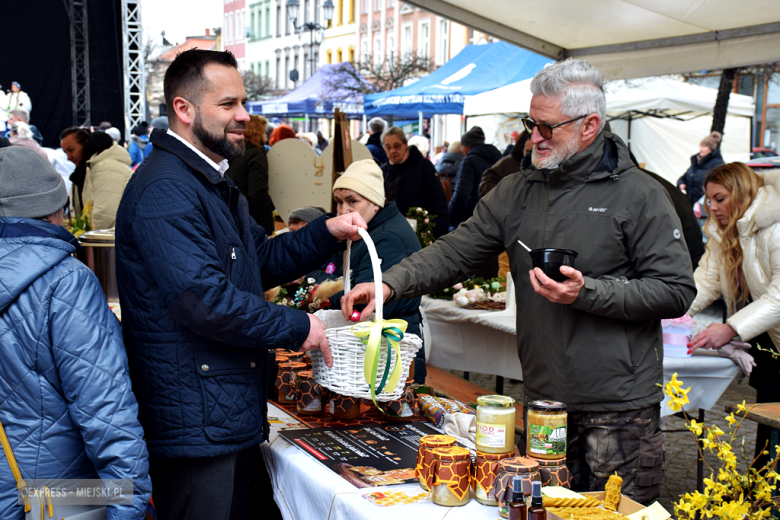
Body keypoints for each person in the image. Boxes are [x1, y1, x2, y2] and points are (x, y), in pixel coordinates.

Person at [343, 58, 696, 504]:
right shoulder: (517, 191)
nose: (534, 137)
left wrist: (586, 292)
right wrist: (390, 283)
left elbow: (676, 289)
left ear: (590, 126)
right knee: (540, 511)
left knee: (620, 515)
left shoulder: (640, 194)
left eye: (547, 127)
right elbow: (456, 250)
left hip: (618, 407)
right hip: (545, 401)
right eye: (531, 122)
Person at [114, 48, 366, 520]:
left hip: (223, 410)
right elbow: (205, 301)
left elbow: (260, 259)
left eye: (243, 103)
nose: (244, 116)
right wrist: (300, 326)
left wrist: (325, 232)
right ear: (183, 110)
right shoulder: (165, 189)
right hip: (196, 421)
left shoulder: (209, 182)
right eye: (228, 104)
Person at [0, 147, 151, 520]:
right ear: (55, 209)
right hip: (52, 493)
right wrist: (128, 504)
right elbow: (105, 405)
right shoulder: (65, 281)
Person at [686, 163, 780, 469]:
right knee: (769, 416)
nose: (712, 207)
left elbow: (778, 297)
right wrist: (665, 311)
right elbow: (705, 283)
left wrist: (730, 328)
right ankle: (761, 488)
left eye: (720, 198)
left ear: (741, 194)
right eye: (709, 200)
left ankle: (765, 494)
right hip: (769, 341)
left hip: (769, 333)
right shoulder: (722, 233)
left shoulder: (776, 227)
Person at [326, 159, 426, 383]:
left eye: (352, 201)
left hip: (389, 351)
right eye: (339, 202)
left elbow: (359, 301)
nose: (343, 210)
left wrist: (319, 286)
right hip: (375, 347)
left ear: (375, 203)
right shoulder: (362, 229)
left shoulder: (387, 237)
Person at [381, 126, 449, 238]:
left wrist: (439, 237)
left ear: (405, 144)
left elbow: (438, 203)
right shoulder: (383, 172)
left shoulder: (424, 166)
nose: (392, 151)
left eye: (397, 146)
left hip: (422, 235)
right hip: (393, 235)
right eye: (388, 147)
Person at [226, 114, 275, 235]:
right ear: (258, 131)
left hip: (230, 215)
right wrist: (268, 227)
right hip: (251, 219)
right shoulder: (254, 154)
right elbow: (257, 192)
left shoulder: (229, 152)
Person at [447, 126, 502, 230]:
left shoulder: (469, 161)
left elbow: (461, 196)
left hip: (469, 221)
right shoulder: (498, 159)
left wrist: (448, 216)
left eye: (463, 146)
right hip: (492, 220)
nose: (462, 150)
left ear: (468, 146)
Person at [82, 131, 134, 229]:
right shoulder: (105, 164)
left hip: (115, 236)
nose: (68, 157)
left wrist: (88, 235)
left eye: (71, 150)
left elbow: (105, 212)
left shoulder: (105, 166)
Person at [677, 131, 725, 206]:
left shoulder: (717, 164)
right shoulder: (696, 162)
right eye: (701, 146)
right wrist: (681, 183)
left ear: (711, 149)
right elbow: (684, 177)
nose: (701, 149)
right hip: (690, 203)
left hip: (705, 205)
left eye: (704, 146)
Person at [479, 130, 532, 197]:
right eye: (527, 151)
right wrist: (507, 197)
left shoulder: (544, 166)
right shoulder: (509, 163)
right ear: (522, 150)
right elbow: (487, 182)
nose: (531, 154)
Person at [60, 126, 91, 208]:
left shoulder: (100, 168)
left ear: (86, 144)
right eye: (65, 152)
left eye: (71, 150)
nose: (68, 157)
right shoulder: (79, 174)